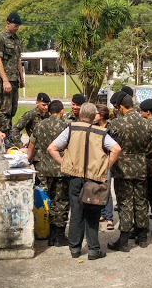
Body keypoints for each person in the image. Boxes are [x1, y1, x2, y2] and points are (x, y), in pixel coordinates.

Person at [48, 102, 121, 260]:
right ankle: (94, 250)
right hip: (94, 179)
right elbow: (116, 149)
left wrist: (64, 163)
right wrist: (106, 166)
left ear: (80, 114)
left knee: (76, 212)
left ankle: (74, 248)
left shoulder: (71, 129)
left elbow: (51, 148)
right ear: (94, 116)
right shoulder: (101, 133)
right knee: (93, 214)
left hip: (75, 177)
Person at [108, 92, 152, 252]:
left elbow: (109, 146)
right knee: (141, 202)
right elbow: (150, 147)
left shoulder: (117, 124)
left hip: (122, 169)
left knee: (125, 203)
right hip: (141, 167)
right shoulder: (146, 123)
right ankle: (142, 238)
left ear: (120, 107)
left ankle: (124, 241)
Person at [28, 100, 69, 247]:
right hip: (61, 168)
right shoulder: (65, 126)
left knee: (51, 200)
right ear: (61, 111)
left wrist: (28, 159)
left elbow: (31, 144)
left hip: (45, 169)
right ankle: (59, 235)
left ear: (50, 112)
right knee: (62, 202)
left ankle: (51, 235)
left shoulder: (40, 125)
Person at [0, 12, 24, 147]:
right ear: (8, 24)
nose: (16, 28)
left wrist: (21, 78)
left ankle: (10, 132)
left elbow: (18, 60)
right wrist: (5, 80)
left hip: (15, 78)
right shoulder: (0, 38)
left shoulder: (17, 39)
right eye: (15, 26)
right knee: (5, 108)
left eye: (18, 27)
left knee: (13, 108)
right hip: (5, 79)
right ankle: (5, 135)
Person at [12, 92, 50, 183]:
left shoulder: (49, 115)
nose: (46, 107)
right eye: (43, 105)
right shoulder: (31, 115)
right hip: (36, 152)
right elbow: (16, 129)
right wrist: (20, 146)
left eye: (47, 105)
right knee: (41, 178)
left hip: (48, 151)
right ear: (37, 103)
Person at [140, 98, 152, 236]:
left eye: (141, 111)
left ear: (147, 112)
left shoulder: (144, 126)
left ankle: (142, 228)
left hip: (145, 165)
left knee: (143, 198)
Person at [94, 104, 114, 230]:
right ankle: (102, 213)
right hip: (96, 161)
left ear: (101, 115)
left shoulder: (110, 128)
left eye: (96, 113)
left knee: (106, 188)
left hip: (106, 161)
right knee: (97, 188)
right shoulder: (94, 127)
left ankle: (110, 218)